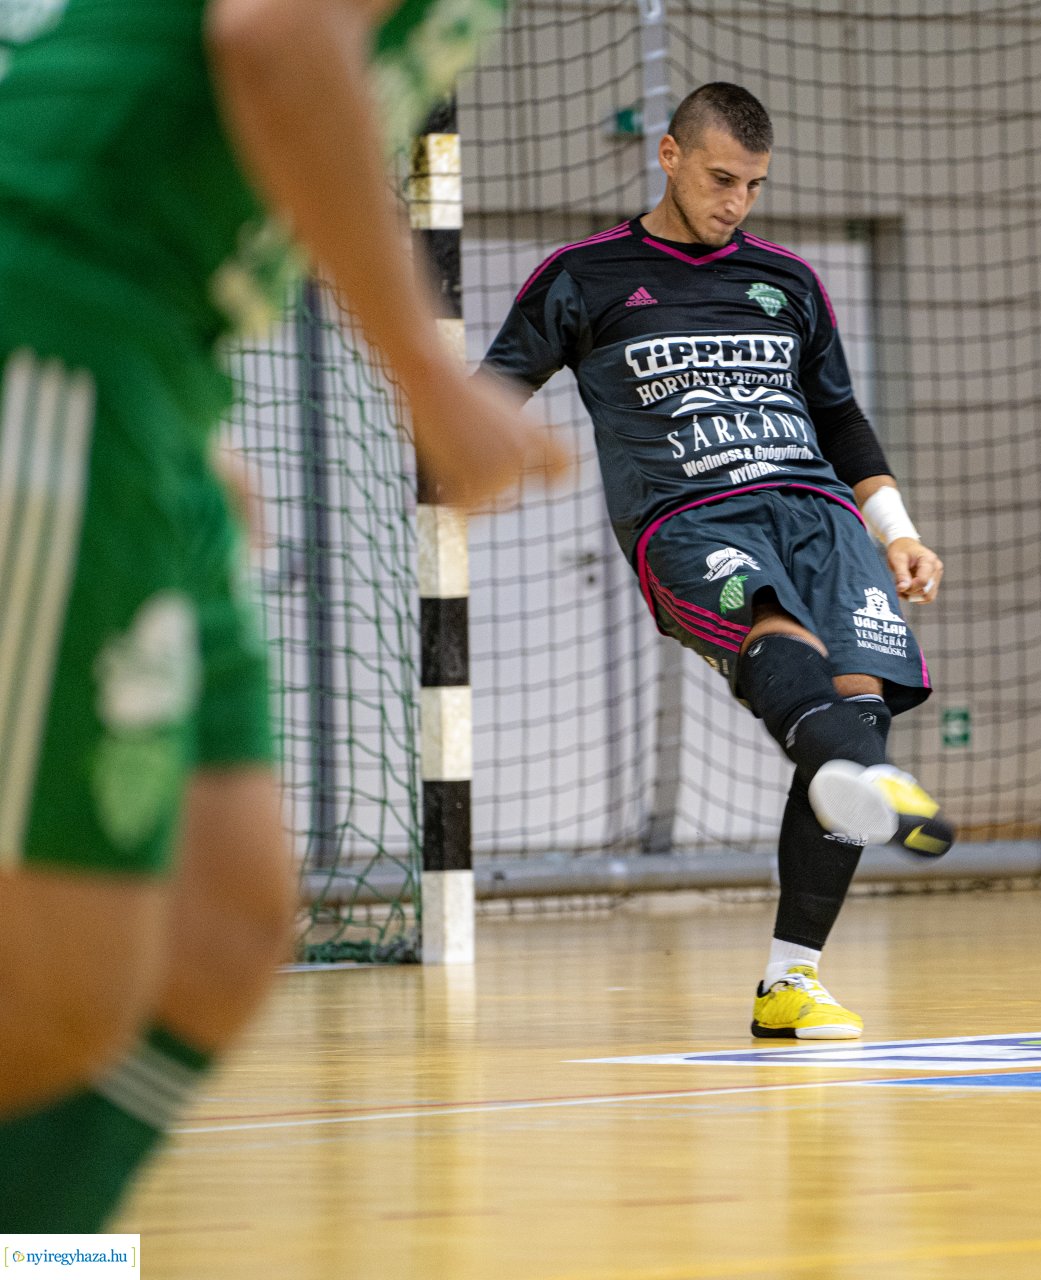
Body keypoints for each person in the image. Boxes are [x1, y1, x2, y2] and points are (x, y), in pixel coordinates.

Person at [0, 0, 565, 1230]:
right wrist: (428, 377)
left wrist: (184, 418)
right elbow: (274, 35)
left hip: (152, 362)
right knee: (66, 989)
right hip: (54, 307)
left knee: (227, 914)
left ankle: (34, 1249)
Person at [483, 82, 954, 1041]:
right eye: (720, 178)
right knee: (782, 646)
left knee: (857, 709)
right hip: (690, 517)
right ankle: (856, 773)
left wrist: (896, 527)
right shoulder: (585, 276)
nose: (736, 201)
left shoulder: (788, 281)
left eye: (754, 185)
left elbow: (842, 418)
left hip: (819, 511)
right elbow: (493, 391)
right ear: (668, 155)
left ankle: (791, 983)